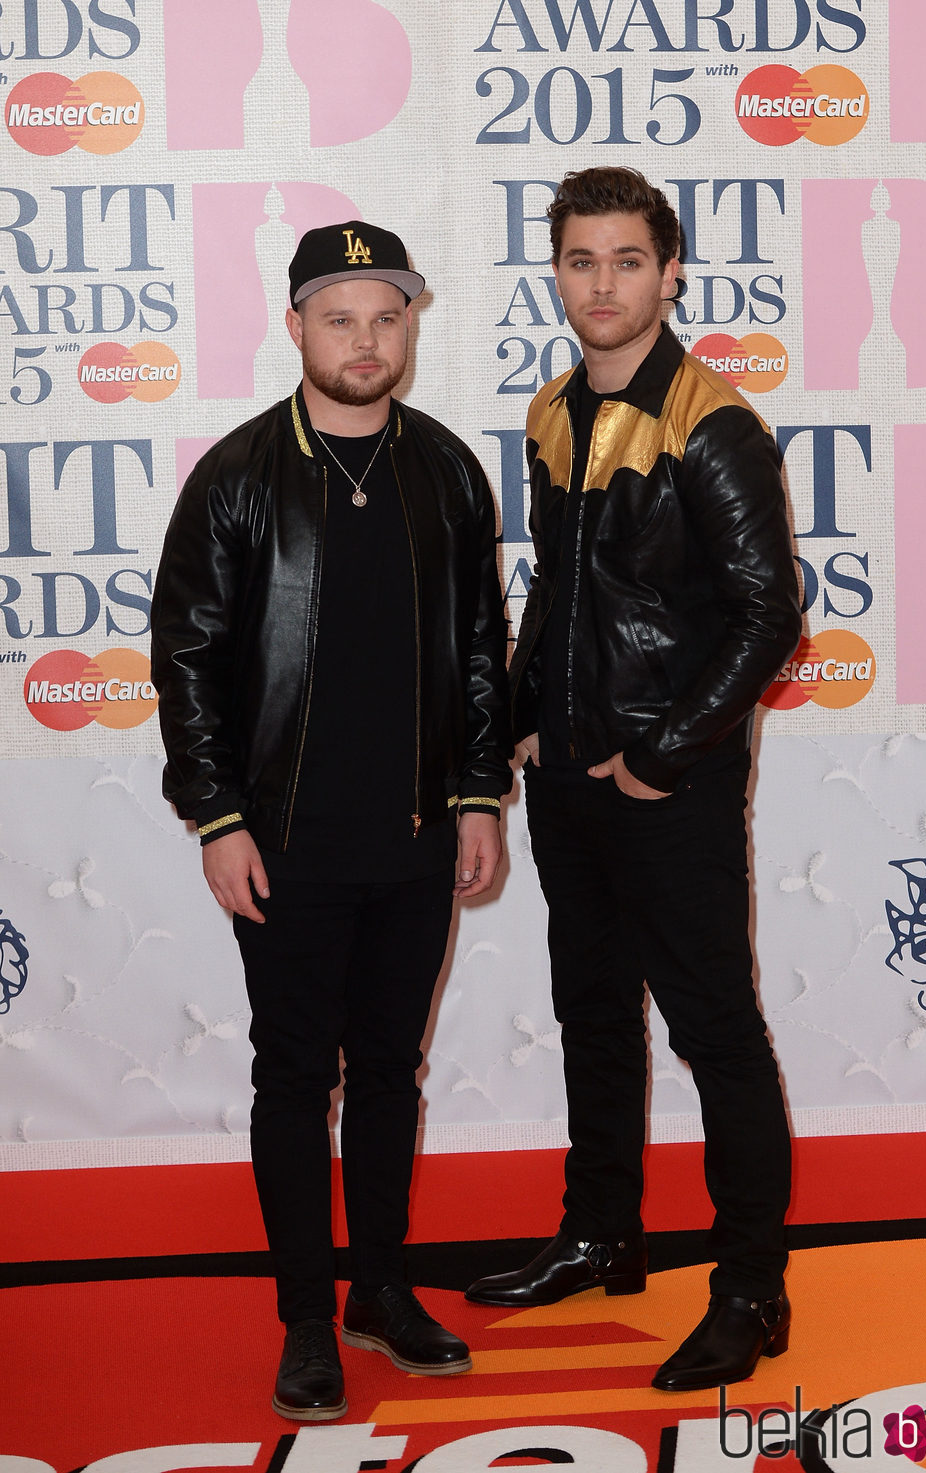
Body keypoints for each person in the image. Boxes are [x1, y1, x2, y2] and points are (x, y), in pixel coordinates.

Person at [151, 221, 512, 1421]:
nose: (365, 341)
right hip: (286, 843)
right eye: (340, 317)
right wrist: (215, 815)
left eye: (386, 317)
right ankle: (306, 1314)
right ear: (296, 325)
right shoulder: (238, 475)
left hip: (414, 838)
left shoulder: (448, 471)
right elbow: (188, 656)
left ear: (411, 326)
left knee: (392, 1077)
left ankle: (381, 1291)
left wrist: (475, 798)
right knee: (294, 1076)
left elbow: (476, 654)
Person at [464, 168, 802, 1393]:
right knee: (593, 1017)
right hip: (568, 788)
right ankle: (601, 1235)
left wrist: (662, 757)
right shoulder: (552, 409)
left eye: (624, 262)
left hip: (674, 785)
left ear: (668, 276)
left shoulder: (710, 423)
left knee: (715, 1031)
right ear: (553, 272)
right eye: (577, 261)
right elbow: (557, 598)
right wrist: (518, 733)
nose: (599, 284)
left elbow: (770, 616)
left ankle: (751, 1288)